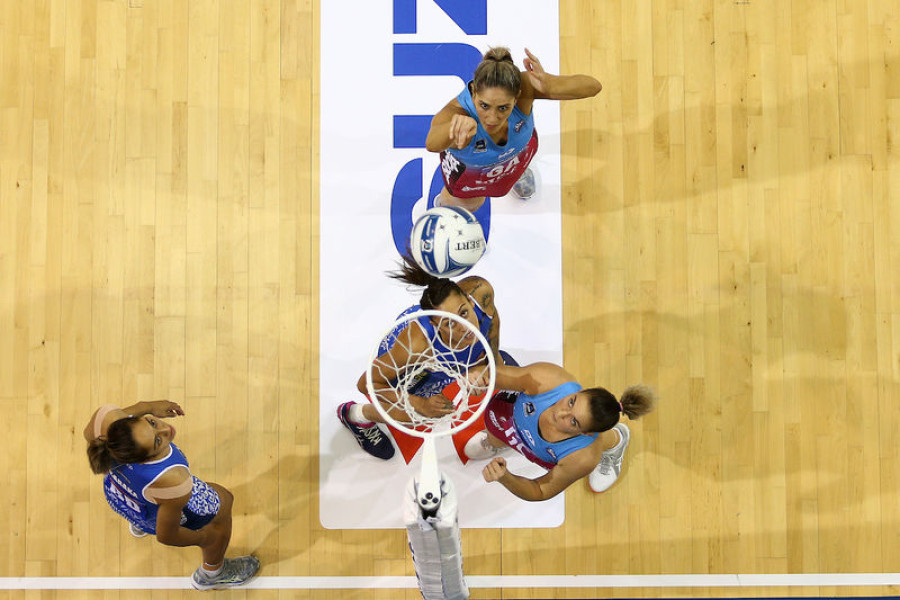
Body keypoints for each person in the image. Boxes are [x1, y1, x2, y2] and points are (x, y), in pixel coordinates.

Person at [337, 256, 510, 462]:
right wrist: (419, 403)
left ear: (468, 299)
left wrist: (483, 365)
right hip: (407, 369)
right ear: (436, 326)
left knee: (499, 367)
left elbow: (492, 327)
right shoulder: (416, 346)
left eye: (463, 313)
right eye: (450, 324)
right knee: (418, 416)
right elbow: (367, 383)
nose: (464, 327)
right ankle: (355, 416)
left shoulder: (481, 291)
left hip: (441, 362)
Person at [84, 400, 260, 591]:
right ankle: (212, 574)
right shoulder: (173, 479)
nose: (165, 430)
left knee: (146, 498)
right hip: (153, 515)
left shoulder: (107, 422)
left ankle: (137, 524)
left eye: (151, 423)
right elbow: (166, 534)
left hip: (119, 496)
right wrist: (203, 538)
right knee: (224, 502)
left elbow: (92, 434)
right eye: (158, 441)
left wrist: (147, 407)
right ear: (143, 460)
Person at [425, 47, 602, 212]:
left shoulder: (526, 87)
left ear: (517, 97)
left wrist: (550, 86)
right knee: (469, 206)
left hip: (518, 154)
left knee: (515, 168)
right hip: (475, 172)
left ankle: (515, 174)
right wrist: (451, 130)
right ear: (474, 93)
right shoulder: (458, 112)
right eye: (484, 106)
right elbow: (432, 143)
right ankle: (444, 212)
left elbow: (593, 87)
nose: (492, 118)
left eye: (503, 108)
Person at [465, 361, 656, 500]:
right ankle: (494, 443)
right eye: (572, 401)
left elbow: (540, 490)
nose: (561, 412)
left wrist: (506, 478)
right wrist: (480, 377)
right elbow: (495, 374)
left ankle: (617, 441)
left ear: (585, 432)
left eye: (573, 421)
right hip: (509, 414)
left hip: (553, 450)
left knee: (598, 444)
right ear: (578, 391)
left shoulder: (583, 457)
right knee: (496, 428)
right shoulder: (550, 379)